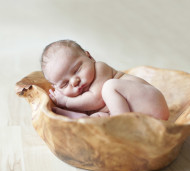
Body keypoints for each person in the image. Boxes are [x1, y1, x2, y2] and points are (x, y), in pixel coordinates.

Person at [41, 40, 169, 120]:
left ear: (89, 57)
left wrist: (67, 102)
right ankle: (82, 119)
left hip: (150, 102)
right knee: (96, 118)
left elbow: (96, 99)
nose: (74, 81)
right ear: (56, 88)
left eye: (77, 70)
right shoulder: (81, 98)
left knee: (109, 86)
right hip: (138, 117)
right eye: (64, 84)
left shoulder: (100, 68)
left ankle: (121, 124)